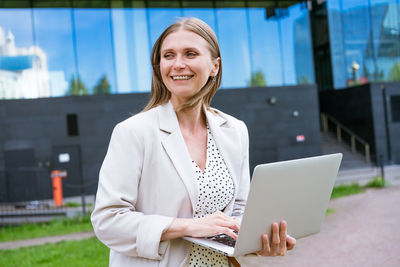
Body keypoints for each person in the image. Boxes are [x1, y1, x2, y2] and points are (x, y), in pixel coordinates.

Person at [91, 17, 296, 267]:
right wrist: (189, 227)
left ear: (214, 66)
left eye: (190, 54)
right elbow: (108, 220)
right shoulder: (133, 132)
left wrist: (258, 242)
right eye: (168, 55)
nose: (178, 64)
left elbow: (239, 211)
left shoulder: (235, 130)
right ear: (159, 67)